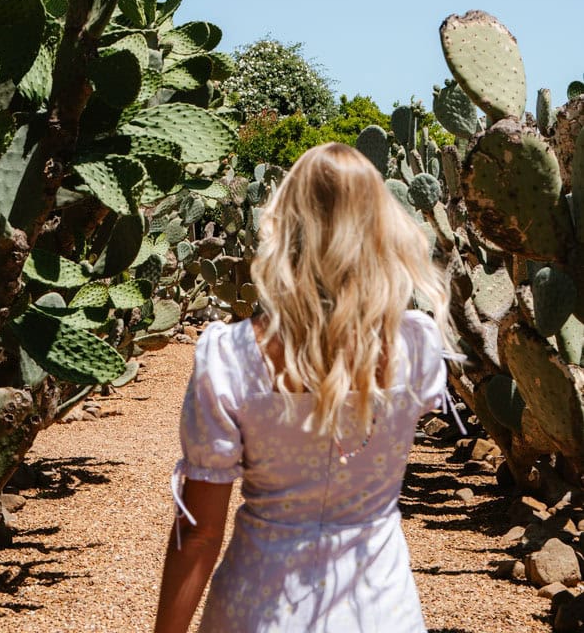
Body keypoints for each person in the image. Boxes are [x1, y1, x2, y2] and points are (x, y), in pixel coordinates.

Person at [154, 142, 458, 633]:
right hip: (381, 609)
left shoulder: (230, 356)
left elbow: (200, 533)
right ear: (380, 227)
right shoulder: (418, 346)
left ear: (285, 226)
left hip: (256, 607)